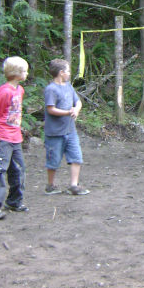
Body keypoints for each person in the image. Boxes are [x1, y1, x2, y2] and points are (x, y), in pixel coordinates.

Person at [0, 56, 30, 220]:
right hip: (3, 138)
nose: (27, 74)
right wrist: (4, 130)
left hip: (16, 138)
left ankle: (14, 201)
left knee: (18, 169)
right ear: (16, 73)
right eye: (24, 71)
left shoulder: (20, 90)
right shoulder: (5, 91)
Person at [44, 59, 89, 195]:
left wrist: (76, 110)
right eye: (68, 71)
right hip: (54, 133)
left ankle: (74, 185)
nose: (70, 73)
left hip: (70, 131)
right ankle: (50, 185)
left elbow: (78, 102)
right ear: (61, 73)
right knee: (53, 161)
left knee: (76, 157)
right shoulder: (51, 89)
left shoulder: (69, 86)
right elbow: (51, 109)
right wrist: (68, 112)